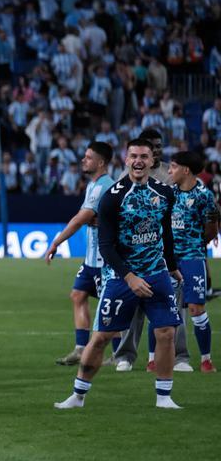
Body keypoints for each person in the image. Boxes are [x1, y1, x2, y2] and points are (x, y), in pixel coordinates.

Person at [55, 139, 184, 410]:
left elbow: (167, 234)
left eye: (144, 156)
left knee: (165, 333)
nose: (138, 161)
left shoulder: (165, 193)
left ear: (151, 161)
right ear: (126, 160)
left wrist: (172, 266)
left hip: (157, 273)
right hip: (119, 277)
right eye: (134, 156)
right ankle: (77, 396)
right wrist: (129, 277)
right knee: (102, 337)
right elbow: (106, 246)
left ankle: (164, 397)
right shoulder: (112, 196)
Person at [113, 128, 191, 371]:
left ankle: (180, 356)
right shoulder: (124, 174)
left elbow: (178, 209)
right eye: (151, 146)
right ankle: (125, 355)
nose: (156, 150)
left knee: (173, 305)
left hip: (166, 249)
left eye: (158, 145)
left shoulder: (171, 171)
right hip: (134, 250)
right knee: (133, 303)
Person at [44, 142, 115, 365]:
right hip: (91, 259)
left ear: (101, 162)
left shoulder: (104, 186)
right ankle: (80, 349)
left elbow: (80, 219)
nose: (83, 160)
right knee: (78, 295)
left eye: (88, 157)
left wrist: (56, 242)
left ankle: (118, 354)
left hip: (105, 260)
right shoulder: (93, 185)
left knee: (109, 307)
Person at [147, 152, 218, 373]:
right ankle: (152, 359)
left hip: (193, 258)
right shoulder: (168, 194)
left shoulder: (204, 196)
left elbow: (211, 229)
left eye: (174, 167)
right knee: (160, 305)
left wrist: (193, 244)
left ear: (185, 170)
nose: (169, 171)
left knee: (196, 308)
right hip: (167, 259)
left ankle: (206, 360)